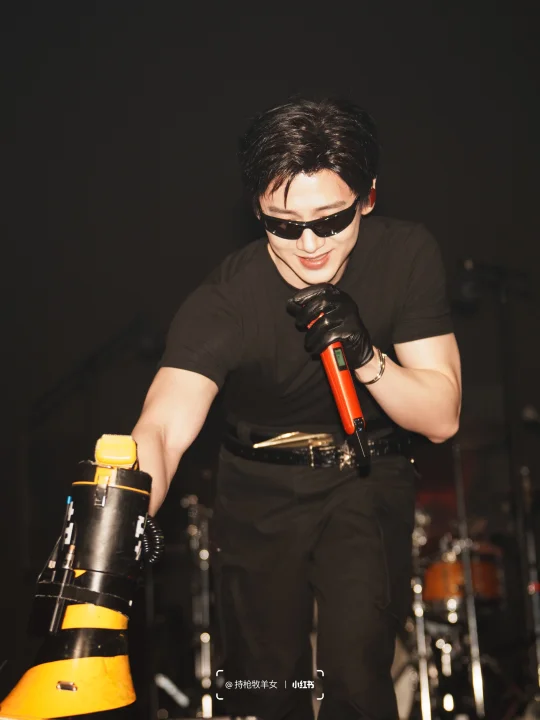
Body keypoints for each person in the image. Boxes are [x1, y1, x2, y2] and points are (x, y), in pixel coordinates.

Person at [132, 97, 461, 720]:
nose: (309, 243)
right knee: (264, 683)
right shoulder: (226, 298)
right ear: (257, 210)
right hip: (258, 484)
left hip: (366, 470)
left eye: (330, 219)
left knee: (356, 674)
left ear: (367, 197)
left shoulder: (406, 254)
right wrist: (119, 515)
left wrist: (366, 357)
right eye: (283, 224)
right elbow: (164, 429)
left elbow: (441, 417)